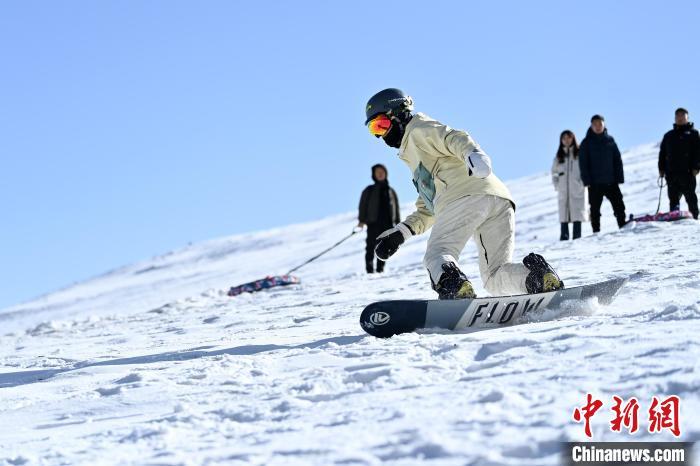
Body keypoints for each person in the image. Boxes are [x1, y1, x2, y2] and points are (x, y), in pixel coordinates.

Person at [364, 88, 564, 299]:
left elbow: (452, 137)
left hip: (464, 197)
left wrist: (473, 153)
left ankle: (454, 288)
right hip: (498, 199)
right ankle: (536, 278)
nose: (381, 136)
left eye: (381, 125)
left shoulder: (418, 130)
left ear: (398, 113)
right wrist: (401, 233)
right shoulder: (413, 154)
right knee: (494, 276)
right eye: (374, 131)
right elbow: (429, 206)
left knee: (436, 254)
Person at [578, 114, 626, 232]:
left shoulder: (610, 140)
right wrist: (587, 180)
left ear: (604, 124)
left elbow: (617, 160)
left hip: (611, 182)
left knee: (619, 207)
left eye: (600, 124)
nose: (598, 126)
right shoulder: (586, 142)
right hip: (594, 184)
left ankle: (623, 227)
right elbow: (583, 163)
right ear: (591, 126)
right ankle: (596, 232)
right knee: (595, 210)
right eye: (595, 124)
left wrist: (619, 178)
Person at [358, 164, 401, 273]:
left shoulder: (391, 191)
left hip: (388, 224)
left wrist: (398, 224)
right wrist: (361, 221)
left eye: (382, 171)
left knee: (384, 247)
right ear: (374, 175)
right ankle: (369, 270)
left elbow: (396, 208)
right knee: (370, 246)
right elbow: (363, 205)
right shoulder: (369, 190)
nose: (380, 173)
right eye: (377, 172)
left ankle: (380, 269)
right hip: (373, 223)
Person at [658, 108, 700, 219]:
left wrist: (696, 167)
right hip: (671, 174)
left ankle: (695, 218)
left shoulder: (694, 134)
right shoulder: (668, 136)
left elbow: (698, 152)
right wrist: (661, 169)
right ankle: (674, 220)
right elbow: (662, 154)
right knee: (673, 199)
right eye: (678, 116)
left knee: (691, 198)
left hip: (688, 173)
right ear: (675, 118)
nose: (680, 118)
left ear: (687, 118)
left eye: (683, 116)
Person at [551, 130, 587, 240]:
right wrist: (557, 186)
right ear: (561, 141)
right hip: (563, 190)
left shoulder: (580, 154)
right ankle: (564, 238)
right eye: (564, 138)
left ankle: (577, 237)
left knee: (577, 214)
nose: (566, 140)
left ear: (573, 138)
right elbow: (554, 173)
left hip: (577, 189)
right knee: (564, 215)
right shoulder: (559, 157)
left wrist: (581, 183)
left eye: (568, 138)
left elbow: (585, 170)